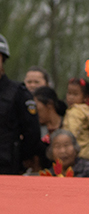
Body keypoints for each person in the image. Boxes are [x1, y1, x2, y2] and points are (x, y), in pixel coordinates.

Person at [0, 34, 42, 174]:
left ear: (3, 59)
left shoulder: (18, 92)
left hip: (7, 166)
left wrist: (20, 158)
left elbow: (32, 132)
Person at [62, 78, 89, 161]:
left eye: (75, 94)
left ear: (85, 97)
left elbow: (72, 134)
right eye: (69, 93)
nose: (70, 97)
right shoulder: (88, 110)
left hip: (79, 154)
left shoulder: (75, 112)